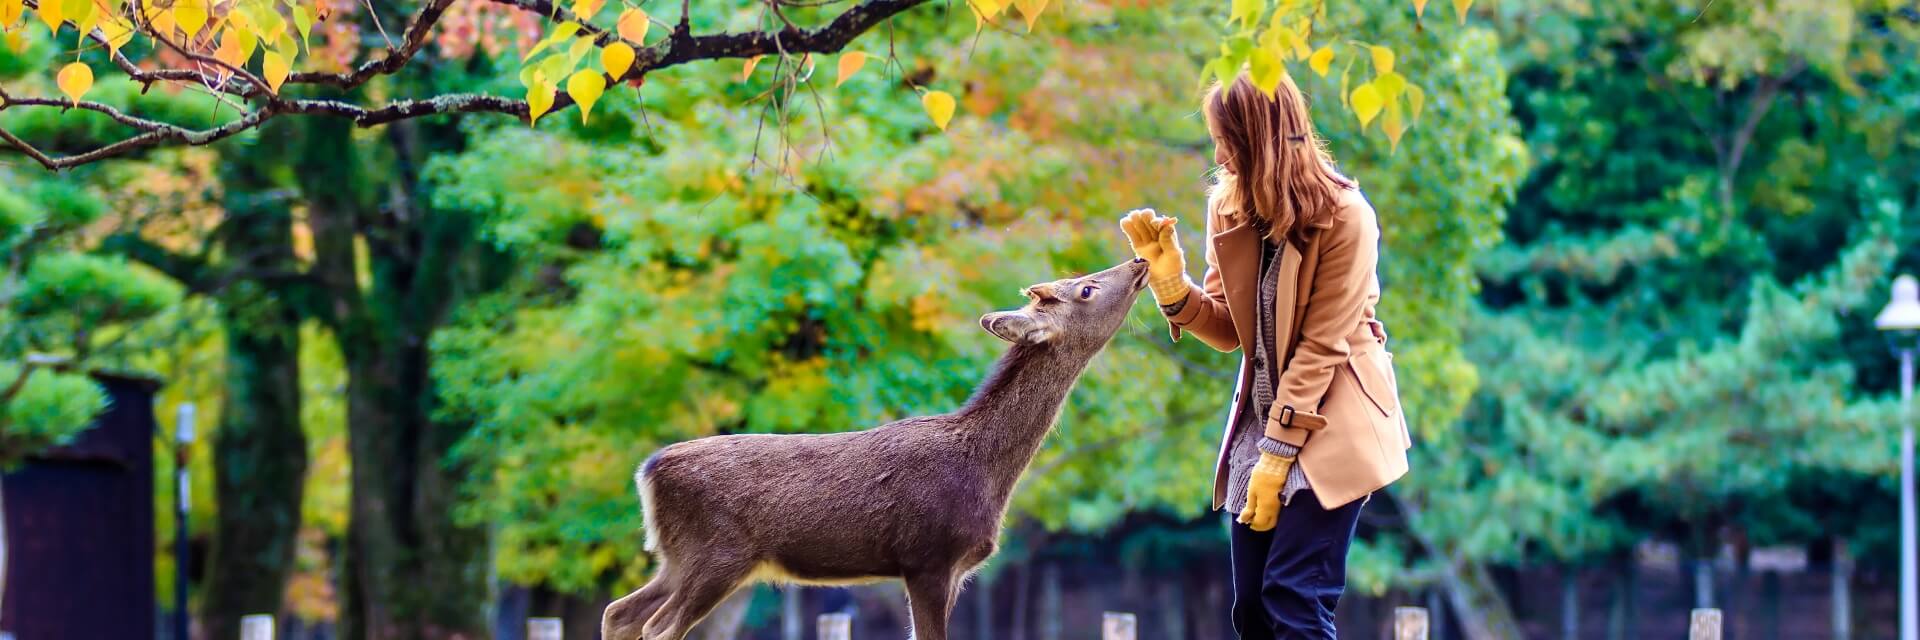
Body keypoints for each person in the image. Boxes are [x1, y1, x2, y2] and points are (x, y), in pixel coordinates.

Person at [1120, 71, 1411, 639]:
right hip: (1264, 419)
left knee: (1294, 599)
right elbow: (1231, 329)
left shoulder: (1348, 217)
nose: (1218, 154)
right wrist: (1172, 286)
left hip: (1332, 419)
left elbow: (1321, 345)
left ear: (1260, 139)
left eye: (1226, 139)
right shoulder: (1228, 208)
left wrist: (1279, 457)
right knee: (1252, 610)